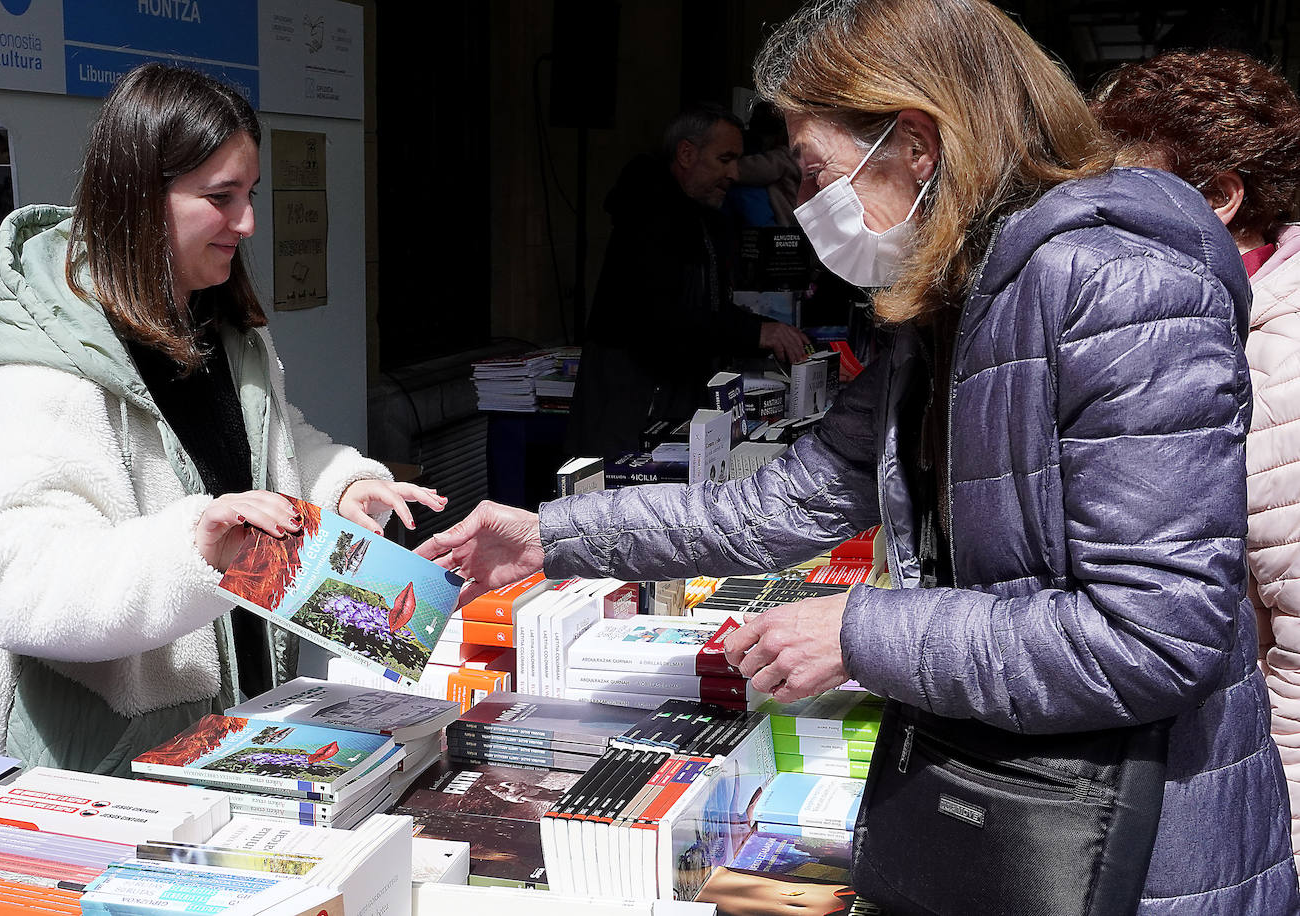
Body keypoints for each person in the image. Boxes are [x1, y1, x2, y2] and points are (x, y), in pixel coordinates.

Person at [420, 0, 1300, 909]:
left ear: (917, 145)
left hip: (1142, 851)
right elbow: (780, 503)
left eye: (815, 174)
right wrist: (550, 536)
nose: (802, 209)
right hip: (1018, 809)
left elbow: (1152, 635)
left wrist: (859, 633)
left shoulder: (1119, 285)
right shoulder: (950, 301)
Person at [0, 63, 445, 775]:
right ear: (141, 197)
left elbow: (266, 451)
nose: (248, 222)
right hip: (102, 766)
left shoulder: (221, 325)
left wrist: (342, 487)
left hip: (234, 732)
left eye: (251, 194)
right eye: (220, 197)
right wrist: (190, 552)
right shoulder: (42, 365)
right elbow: (10, 575)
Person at [1093, 46, 1300, 877]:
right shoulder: (1203, 318)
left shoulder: (1279, 354)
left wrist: (1275, 846)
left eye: (1126, 187)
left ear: (1218, 198)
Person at [566, 103, 810, 458]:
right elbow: (665, 316)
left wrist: (762, 329)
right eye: (724, 159)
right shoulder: (651, 213)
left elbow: (710, 306)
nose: (734, 173)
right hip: (630, 407)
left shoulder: (702, 215)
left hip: (666, 402)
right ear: (686, 154)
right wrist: (758, 333)